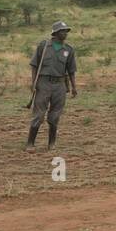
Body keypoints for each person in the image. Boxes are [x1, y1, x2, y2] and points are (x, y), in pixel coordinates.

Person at [26, 21, 77, 152]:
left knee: (55, 116)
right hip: (43, 83)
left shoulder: (69, 50)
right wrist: (34, 82)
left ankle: (51, 144)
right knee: (39, 114)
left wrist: (74, 87)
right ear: (55, 33)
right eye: (62, 31)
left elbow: (71, 70)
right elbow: (34, 65)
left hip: (60, 85)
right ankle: (30, 144)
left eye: (66, 31)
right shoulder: (43, 46)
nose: (65, 33)